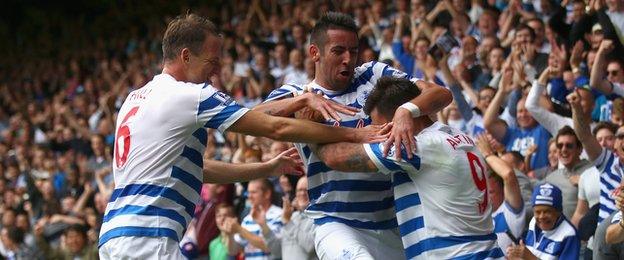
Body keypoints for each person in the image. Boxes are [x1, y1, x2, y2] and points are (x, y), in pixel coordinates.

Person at [98, 13, 386, 259]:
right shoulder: (189, 95)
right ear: (186, 56)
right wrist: (355, 135)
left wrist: (265, 168)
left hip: (113, 236)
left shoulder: (135, 99)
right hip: (149, 236)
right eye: (212, 61)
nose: (218, 70)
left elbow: (199, 170)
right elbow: (275, 127)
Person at [255, 12, 452, 259]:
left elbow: (440, 94)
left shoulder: (373, 74)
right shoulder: (297, 93)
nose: (348, 59)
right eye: (338, 51)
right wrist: (302, 101)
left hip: (391, 220)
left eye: (353, 51)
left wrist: (405, 110)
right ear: (315, 52)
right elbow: (250, 118)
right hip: (337, 222)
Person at [312, 77, 503, 259]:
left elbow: (334, 157)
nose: (378, 135)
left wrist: (308, 133)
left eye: (381, 127)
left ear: (400, 119)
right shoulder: (459, 136)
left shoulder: (419, 147)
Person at [474, 134, 526, 255]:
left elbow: (508, 175)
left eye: (491, 192)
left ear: (503, 191)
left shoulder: (509, 213)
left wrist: (487, 153)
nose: (486, 196)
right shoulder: (476, 217)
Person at [507, 183, 580, 259]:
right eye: (537, 212)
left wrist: (531, 258)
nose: (541, 217)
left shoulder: (569, 234)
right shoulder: (533, 222)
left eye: (547, 212)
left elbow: (528, 256)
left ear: (558, 212)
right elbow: (526, 246)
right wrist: (515, 252)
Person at [223, 179, 283, 260]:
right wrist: (230, 234)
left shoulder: (279, 215)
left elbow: (271, 247)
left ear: (267, 194)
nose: (249, 196)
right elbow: (233, 251)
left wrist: (240, 230)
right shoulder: (247, 219)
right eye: (248, 192)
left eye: (254, 192)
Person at [274, 176, 317, 260]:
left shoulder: (318, 217)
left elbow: (310, 246)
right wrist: (263, 226)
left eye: (306, 190)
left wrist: (288, 223)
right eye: (299, 190)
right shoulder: (291, 216)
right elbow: (277, 250)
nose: (302, 193)